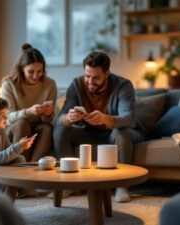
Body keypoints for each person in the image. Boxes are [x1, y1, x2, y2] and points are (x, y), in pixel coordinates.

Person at [53, 51, 146, 203]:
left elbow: (129, 119)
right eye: (87, 76)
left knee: (120, 133)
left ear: (107, 73)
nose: (90, 81)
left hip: (119, 132)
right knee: (60, 130)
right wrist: (68, 118)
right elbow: (59, 120)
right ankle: (68, 183)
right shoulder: (76, 84)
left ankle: (122, 186)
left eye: (95, 78)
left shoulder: (123, 85)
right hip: (89, 132)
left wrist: (106, 119)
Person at [1, 43, 57, 162]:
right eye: (31, 71)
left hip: (37, 129)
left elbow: (47, 121)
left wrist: (47, 114)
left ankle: (32, 167)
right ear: (22, 69)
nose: (36, 76)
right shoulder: (9, 84)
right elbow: (7, 117)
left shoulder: (50, 84)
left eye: (39, 71)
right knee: (22, 123)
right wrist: (28, 112)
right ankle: (19, 167)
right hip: (14, 128)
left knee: (47, 128)